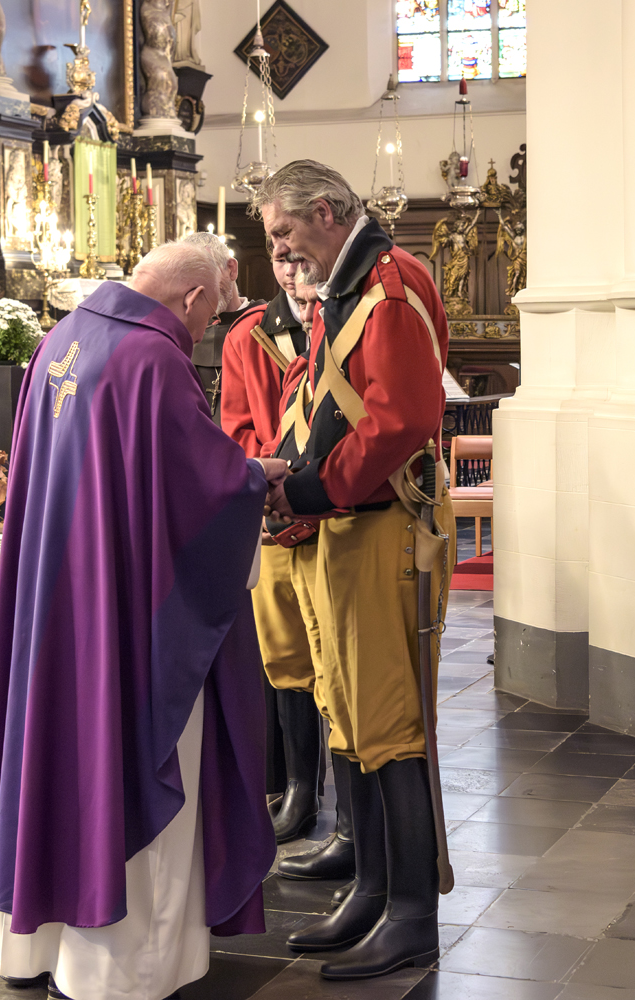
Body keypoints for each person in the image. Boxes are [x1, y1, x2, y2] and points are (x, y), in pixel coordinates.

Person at [0, 242, 284, 1000]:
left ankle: (33, 950)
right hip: (132, 618)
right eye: (213, 313)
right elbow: (198, 488)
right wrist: (252, 479)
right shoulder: (153, 360)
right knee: (132, 759)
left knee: (53, 753)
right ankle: (125, 972)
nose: (206, 329)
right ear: (194, 297)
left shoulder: (61, 339)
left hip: (56, 602)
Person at [253, 160, 457, 980]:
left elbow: (401, 419)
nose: (280, 250)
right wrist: (290, 475)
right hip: (341, 521)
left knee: (389, 722)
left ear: (329, 212)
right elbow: (322, 403)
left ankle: (411, 915)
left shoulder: (389, 285)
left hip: (382, 524)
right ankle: (369, 891)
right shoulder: (346, 287)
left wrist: (309, 486)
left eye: (285, 231)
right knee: (347, 711)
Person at [219, 251, 342, 854]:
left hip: (336, 508)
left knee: (340, 662)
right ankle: (298, 790)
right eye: (279, 259)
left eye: (298, 258)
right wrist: (273, 474)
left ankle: (350, 810)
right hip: (271, 512)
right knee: (285, 655)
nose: (291, 272)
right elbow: (236, 426)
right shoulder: (248, 335)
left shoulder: (345, 318)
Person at [180, 230, 264, 421]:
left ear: (231, 269)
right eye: (191, 283)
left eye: (207, 276)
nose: (201, 290)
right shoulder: (187, 334)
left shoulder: (265, 325)